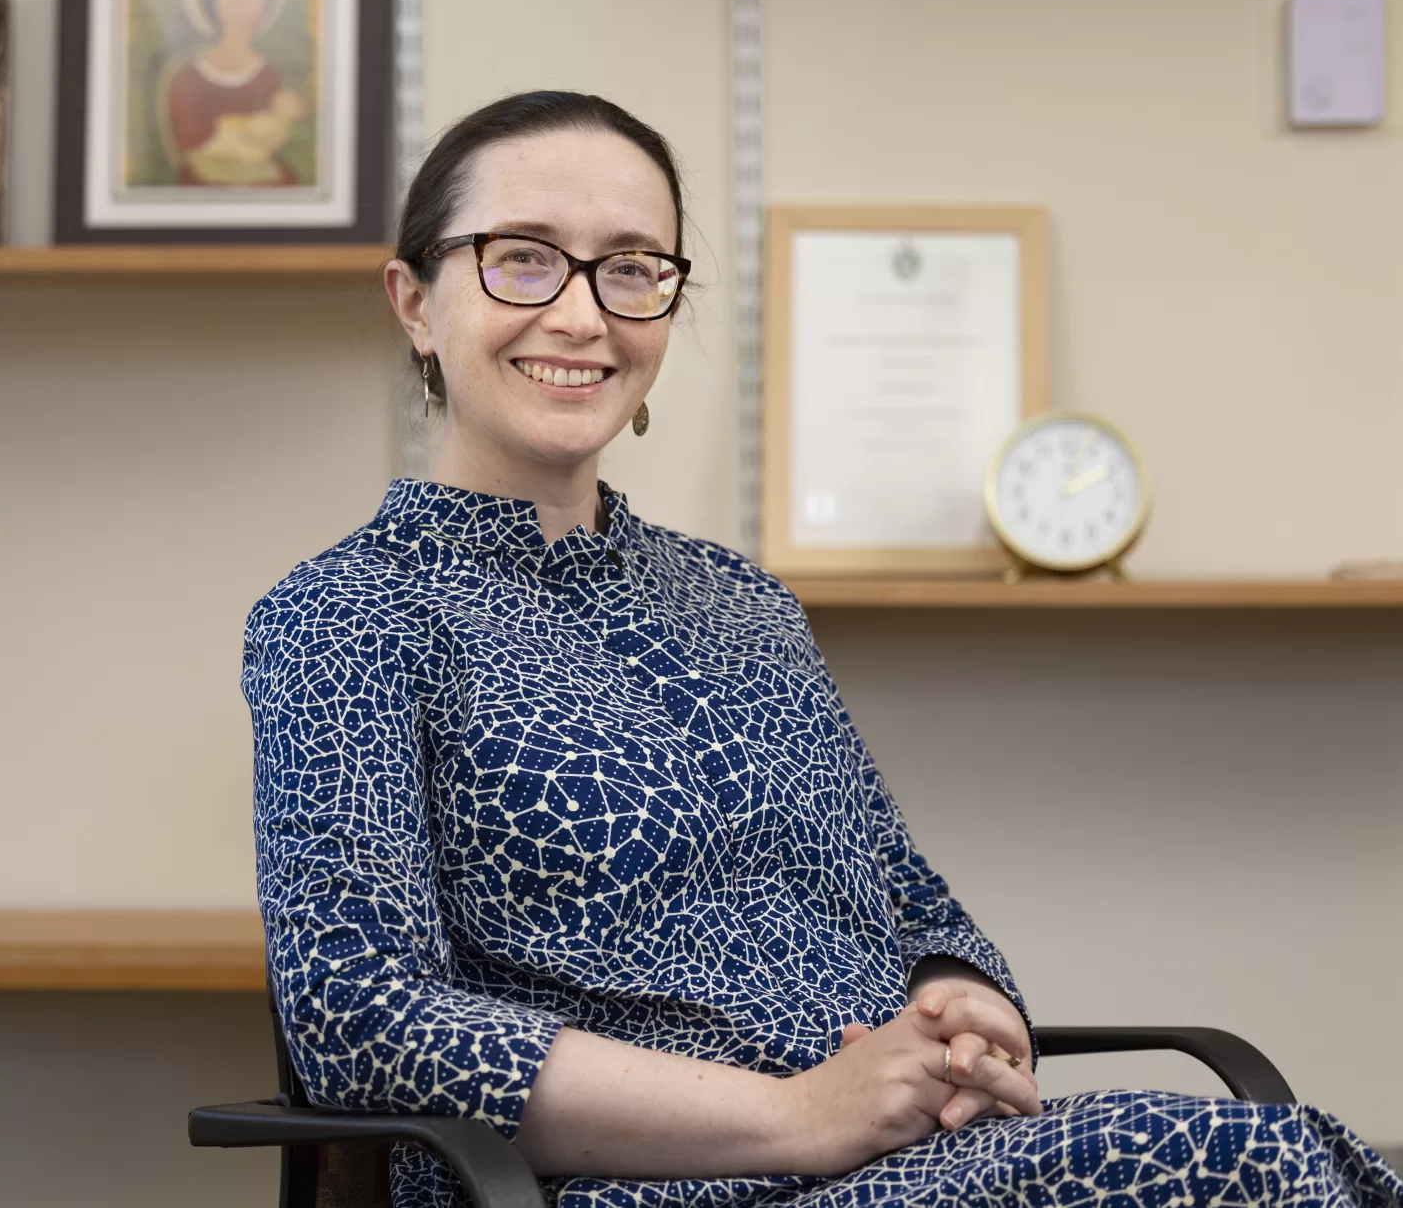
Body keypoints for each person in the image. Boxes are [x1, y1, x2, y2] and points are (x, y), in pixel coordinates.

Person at [241, 90, 1402, 1208]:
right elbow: (362, 1020)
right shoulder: (349, 615)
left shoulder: (741, 601)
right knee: (1230, 1159)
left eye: (632, 267)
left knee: (1274, 1150)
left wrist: (960, 1005)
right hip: (645, 1188)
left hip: (912, 1160)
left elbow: (911, 902)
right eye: (524, 257)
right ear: (413, 301)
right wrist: (796, 1113)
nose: (584, 315)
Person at [157, 0, 306, 186]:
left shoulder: (268, 75)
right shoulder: (185, 77)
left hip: (264, 184)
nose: (251, 9)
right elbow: (190, 147)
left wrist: (281, 117)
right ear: (216, 1)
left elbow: (274, 135)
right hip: (205, 185)